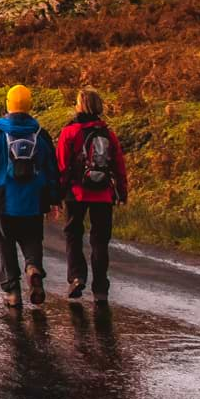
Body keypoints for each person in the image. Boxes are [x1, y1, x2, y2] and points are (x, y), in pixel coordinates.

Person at [0, 84, 61, 307]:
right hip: (34, 198)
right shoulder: (40, 134)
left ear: (8, 104)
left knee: (6, 243)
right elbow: (52, 168)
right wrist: (54, 200)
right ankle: (33, 267)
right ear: (29, 105)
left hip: (5, 197)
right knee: (33, 239)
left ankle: (12, 290)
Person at [57, 87, 129, 300]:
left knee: (73, 236)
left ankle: (77, 277)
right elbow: (119, 166)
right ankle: (100, 289)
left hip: (76, 192)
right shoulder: (108, 133)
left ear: (80, 105)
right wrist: (122, 192)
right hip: (103, 193)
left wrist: (57, 194)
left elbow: (61, 165)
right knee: (100, 241)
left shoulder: (69, 132)